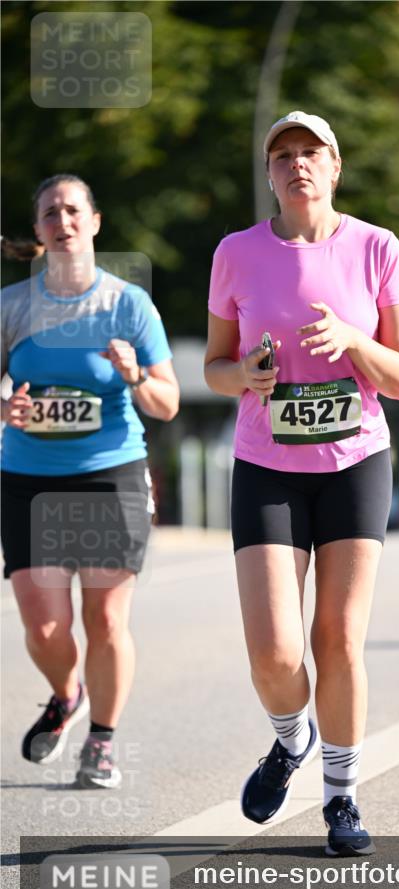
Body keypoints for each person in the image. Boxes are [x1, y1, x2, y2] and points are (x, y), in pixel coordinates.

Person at [205, 111, 399, 856]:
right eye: (282, 155)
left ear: (334, 167)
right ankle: (289, 741)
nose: (297, 164)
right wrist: (247, 376)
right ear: (268, 175)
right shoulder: (235, 252)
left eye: (311, 153)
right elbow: (215, 368)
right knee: (272, 652)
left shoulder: (376, 248)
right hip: (267, 464)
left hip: (355, 461)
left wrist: (356, 342)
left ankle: (340, 796)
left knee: (338, 639)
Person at [1, 174, 179, 789]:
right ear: (39, 231)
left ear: (95, 222)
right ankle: (65, 693)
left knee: (104, 619)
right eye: (50, 212)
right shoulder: (12, 307)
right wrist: (4, 410)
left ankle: (101, 740)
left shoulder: (128, 305)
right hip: (28, 479)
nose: (63, 220)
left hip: (111, 474)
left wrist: (133, 375)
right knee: (44, 627)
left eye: (73, 210)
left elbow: (167, 402)